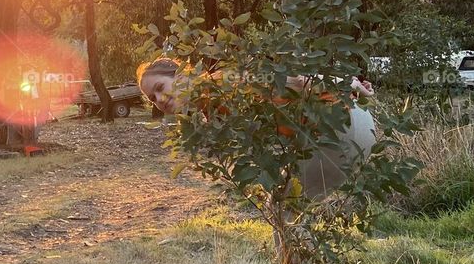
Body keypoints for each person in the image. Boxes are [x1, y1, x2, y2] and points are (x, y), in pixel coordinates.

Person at [136, 56, 376, 199]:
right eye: (152, 98)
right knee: (290, 207)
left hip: (338, 125)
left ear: (179, 75)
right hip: (354, 125)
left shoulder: (218, 84)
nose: (159, 99)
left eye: (159, 87)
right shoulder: (208, 107)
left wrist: (345, 82)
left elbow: (291, 81)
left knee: (287, 209)